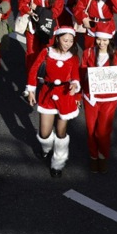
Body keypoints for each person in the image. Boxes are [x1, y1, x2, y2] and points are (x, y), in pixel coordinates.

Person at [25, 26, 81, 178]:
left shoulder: (73, 56)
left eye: (71, 40)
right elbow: (34, 70)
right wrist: (31, 90)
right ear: (57, 38)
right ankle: (46, 148)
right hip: (47, 95)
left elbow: (76, 75)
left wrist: (75, 86)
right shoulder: (46, 52)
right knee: (44, 133)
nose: (68, 43)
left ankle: (58, 163)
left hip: (65, 97)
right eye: (65, 40)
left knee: (61, 133)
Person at [81, 28, 117, 173]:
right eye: (99, 39)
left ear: (110, 40)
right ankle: (93, 157)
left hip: (109, 100)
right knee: (91, 130)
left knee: (103, 132)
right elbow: (81, 73)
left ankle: (103, 156)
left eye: (104, 40)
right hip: (91, 98)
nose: (101, 43)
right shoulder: (88, 53)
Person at [17, 0, 65, 74]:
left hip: (47, 28)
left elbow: (55, 12)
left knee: (47, 52)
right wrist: (28, 10)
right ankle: (31, 76)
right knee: (31, 53)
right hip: (32, 27)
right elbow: (21, 4)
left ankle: (44, 73)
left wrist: (37, 9)